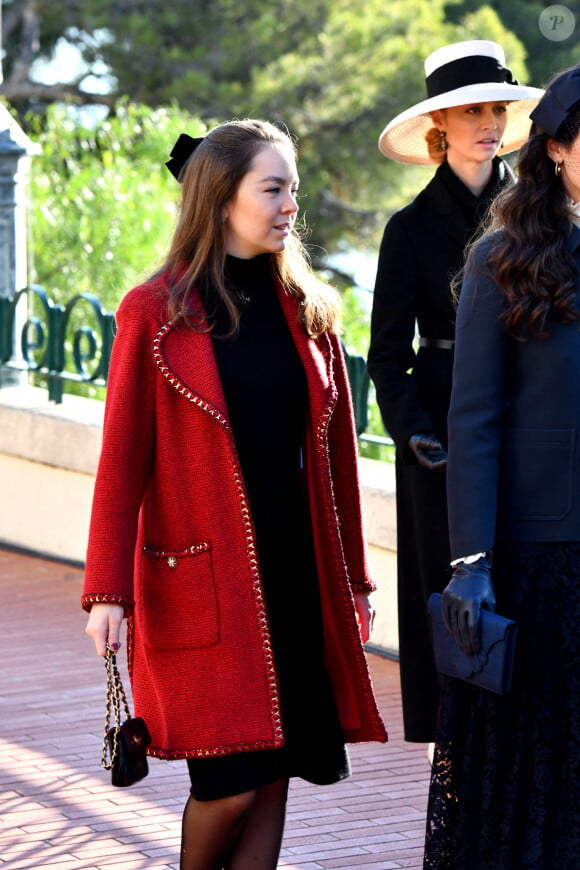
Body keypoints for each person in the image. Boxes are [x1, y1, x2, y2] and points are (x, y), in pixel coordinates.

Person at [82, 118, 387, 870]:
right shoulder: (154, 313)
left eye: (293, 189)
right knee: (229, 784)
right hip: (205, 584)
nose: (290, 205)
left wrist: (353, 579)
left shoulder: (311, 311)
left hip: (298, 575)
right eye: (273, 188)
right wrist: (106, 592)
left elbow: (340, 464)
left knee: (276, 775)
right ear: (222, 199)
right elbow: (121, 463)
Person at [424, 65, 580, 868]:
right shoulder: (502, 259)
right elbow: (472, 422)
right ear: (556, 149)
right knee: (541, 776)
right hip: (541, 564)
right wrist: (472, 564)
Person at [366, 40, 542, 744]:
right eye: (474, 109)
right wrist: (411, 428)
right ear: (440, 125)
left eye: (498, 107)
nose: (489, 122)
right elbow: (385, 354)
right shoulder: (406, 230)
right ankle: (457, 745)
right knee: (450, 598)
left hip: (530, 417)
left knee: (527, 577)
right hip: (439, 432)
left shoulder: (540, 215)